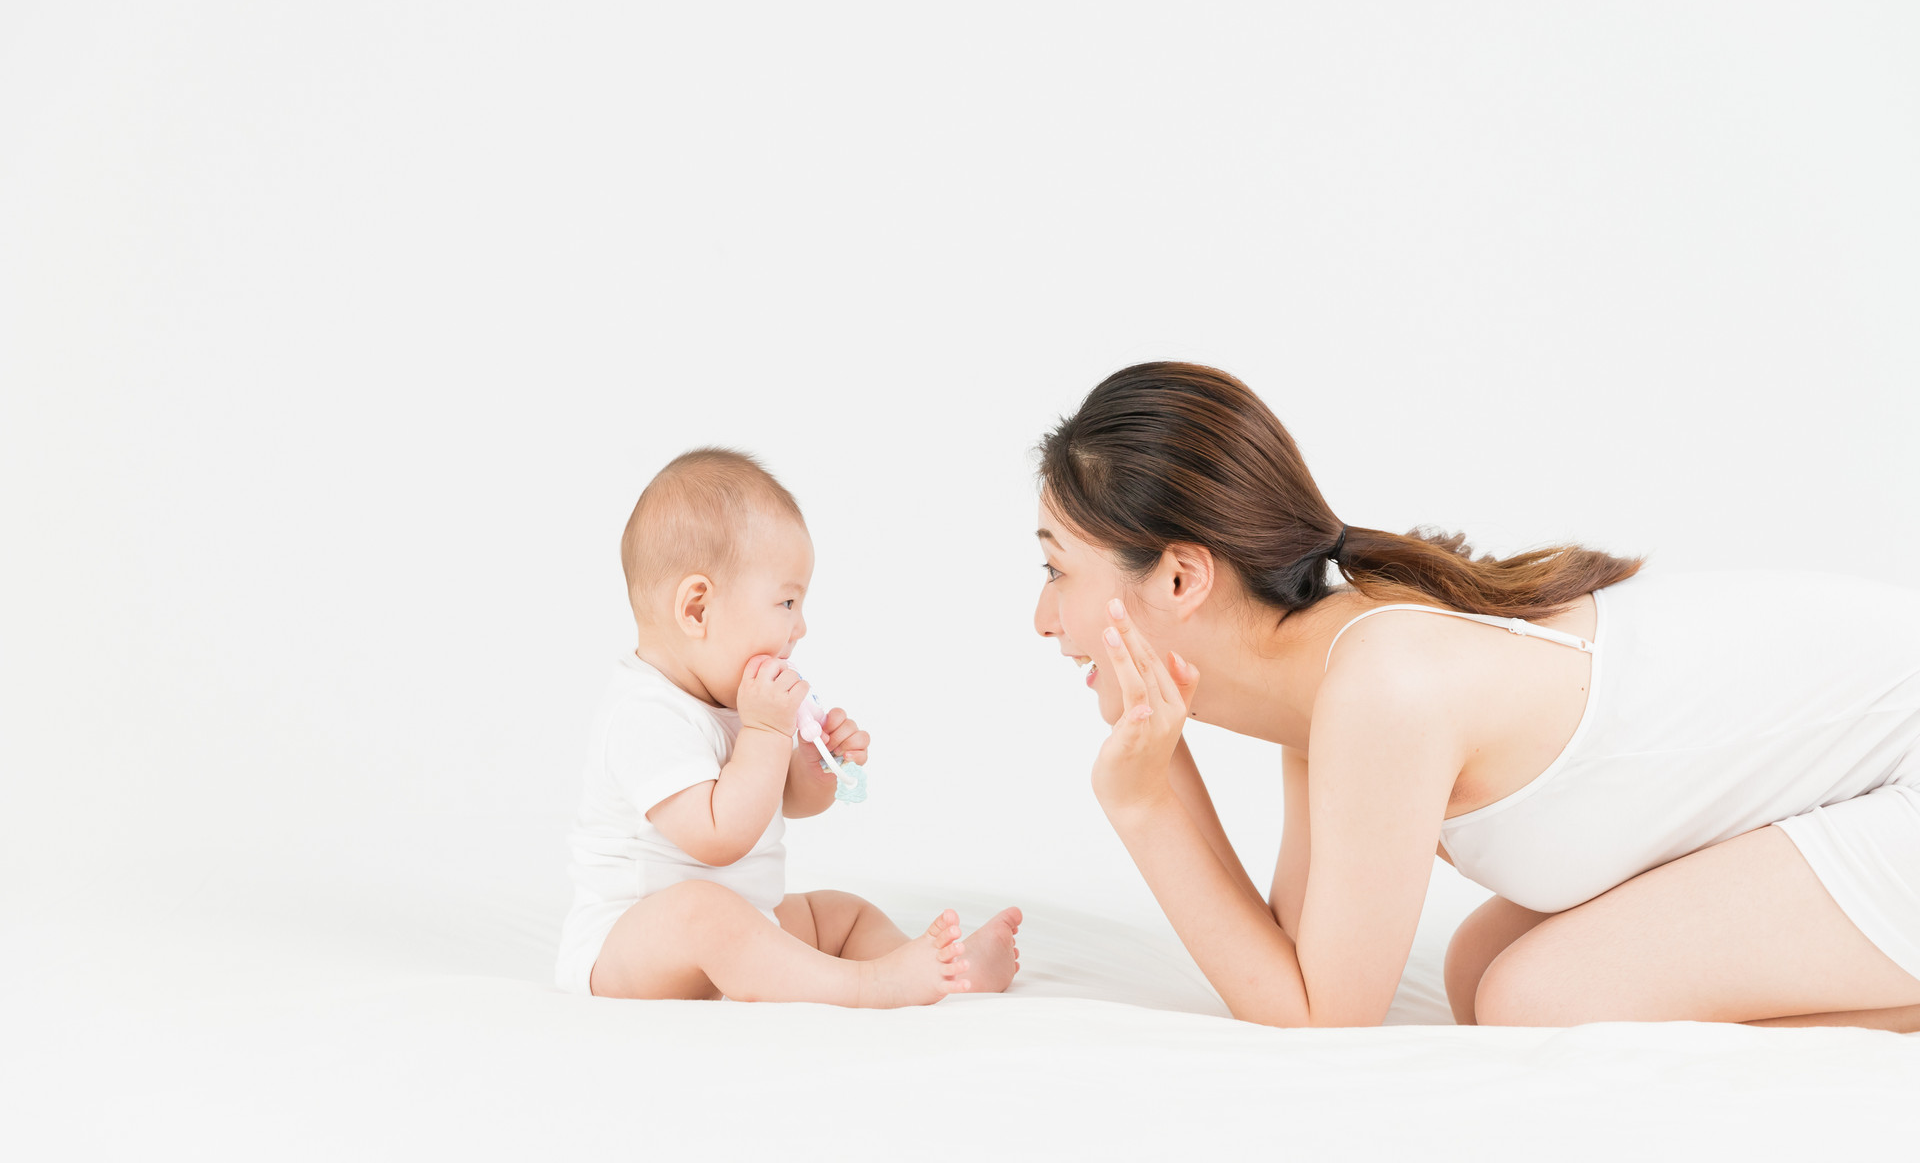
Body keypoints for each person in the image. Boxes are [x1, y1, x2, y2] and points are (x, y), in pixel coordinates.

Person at [1032, 361, 1920, 1029]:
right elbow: (1306, 962)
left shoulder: (1384, 683)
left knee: (1536, 997)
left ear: (1182, 577)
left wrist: (1145, 799)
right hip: (1873, 773)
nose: (1043, 619)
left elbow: (1320, 1018)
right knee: (1481, 969)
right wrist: (1164, 762)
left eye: (1056, 570)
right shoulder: (1327, 684)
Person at [558, 447, 1021, 1005]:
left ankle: (943, 968)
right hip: (628, 948)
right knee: (704, 910)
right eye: (785, 601)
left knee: (839, 915)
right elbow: (720, 838)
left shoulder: (732, 700)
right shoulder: (643, 714)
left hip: (748, 921)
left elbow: (781, 806)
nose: (800, 626)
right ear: (698, 610)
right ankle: (866, 984)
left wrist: (813, 769)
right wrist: (768, 734)